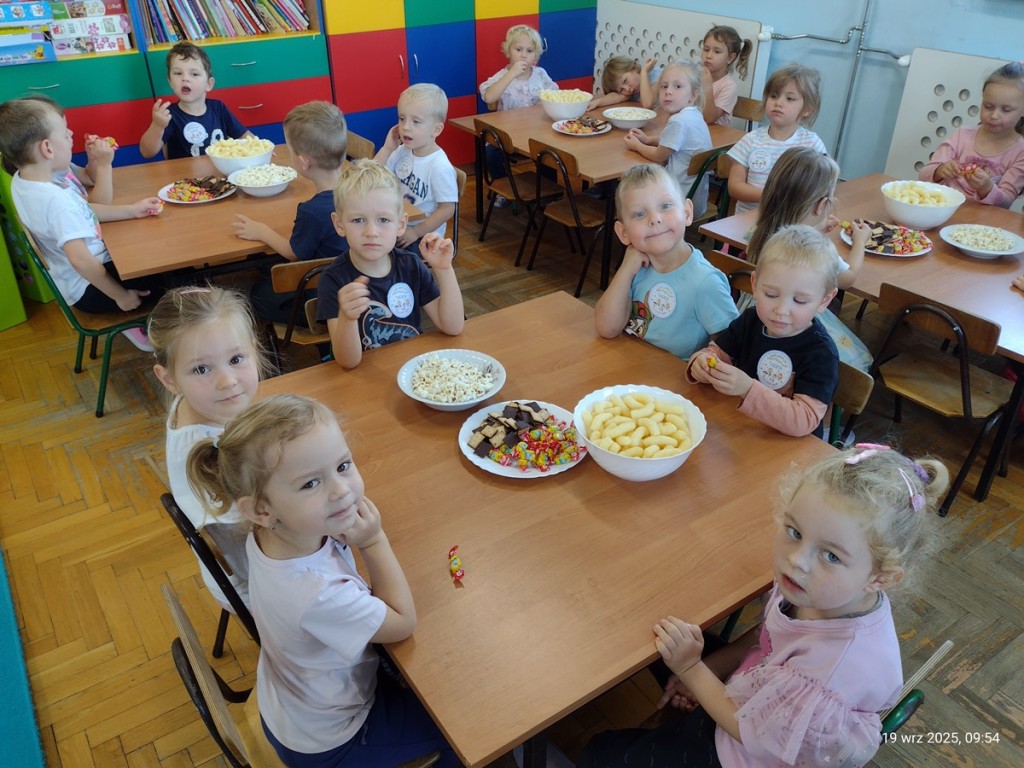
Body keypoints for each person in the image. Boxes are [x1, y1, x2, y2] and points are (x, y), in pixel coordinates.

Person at [578, 444, 949, 768]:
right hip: (752, 697)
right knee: (648, 632)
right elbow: (767, 638)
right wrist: (712, 668)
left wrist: (692, 670)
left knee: (598, 753)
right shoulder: (817, 590)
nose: (797, 560)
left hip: (743, 753)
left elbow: (750, 733)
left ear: (880, 578)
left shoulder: (833, 669)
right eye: (795, 532)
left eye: (831, 556)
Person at [185, 394, 459, 768]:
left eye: (343, 465)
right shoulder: (316, 593)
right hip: (335, 741)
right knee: (461, 729)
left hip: (293, 705)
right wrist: (373, 541)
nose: (341, 490)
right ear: (262, 509)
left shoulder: (272, 533)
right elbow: (402, 622)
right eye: (311, 483)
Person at [0, 96, 163, 350]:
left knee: (148, 251)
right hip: (91, 289)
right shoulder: (56, 201)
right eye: (65, 133)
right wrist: (120, 296)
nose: (71, 135)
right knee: (168, 273)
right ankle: (135, 321)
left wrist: (131, 210)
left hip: (77, 281)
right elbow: (80, 260)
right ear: (47, 149)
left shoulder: (25, 179)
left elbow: (83, 211)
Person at [149, 285, 269, 610]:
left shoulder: (199, 406)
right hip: (258, 586)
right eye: (202, 369)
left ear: (254, 349)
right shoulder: (213, 460)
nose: (227, 381)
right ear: (169, 378)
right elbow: (261, 547)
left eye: (236, 359)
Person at [687, 225, 839, 438]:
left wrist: (748, 389)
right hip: (741, 432)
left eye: (799, 300)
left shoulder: (821, 353)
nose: (781, 310)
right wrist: (702, 364)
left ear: (824, 300)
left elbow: (804, 420)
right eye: (771, 295)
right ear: (755, 284)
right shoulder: (751, 320)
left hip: (790, 449)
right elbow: (717, 354)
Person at [317, 159, 464, 369]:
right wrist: (347, 318)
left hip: (415, 373)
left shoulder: (411, 265)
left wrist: (444, 270)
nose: (371, 232)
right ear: (339, 224)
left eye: (383, 220)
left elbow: (453, 326)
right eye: (358, 220)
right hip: (366, 378)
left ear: (401, 224)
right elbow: (348, 362)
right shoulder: (334, 280)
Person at [746, 146, 873, 373]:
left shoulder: (759, 229)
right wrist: (860, 242)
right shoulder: (819, 253)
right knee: (859, 360)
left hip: (756, 312)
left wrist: (816, 228)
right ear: (822, 205)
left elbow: (790, 235)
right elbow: (848, 278)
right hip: (793, 326)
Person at [594, 163, 738, 361]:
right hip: (631, 367)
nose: (655, 219)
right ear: (624, 233)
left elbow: (734, 350)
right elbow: (607, 328)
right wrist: (625, 270)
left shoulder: (706, 282)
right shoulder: (635, 267)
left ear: (687, 213)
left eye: (665, 206)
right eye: (639, 214)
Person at [232, 101, 350, 324]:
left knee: (257, 294)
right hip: (354, 281)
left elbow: (293, 252)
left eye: (290, 149)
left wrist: (262, 231)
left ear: (304, 162)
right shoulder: (357, 190)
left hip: (324, 297)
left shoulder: (312, 211)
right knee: (266, 264)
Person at [918, 61, 1024, 207]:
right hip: (943, 209)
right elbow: (923, 175)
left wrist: (987, 188)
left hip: (982, 219)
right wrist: (940, 170)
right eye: (988, 106)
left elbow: (1005, 203)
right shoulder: (962, 135)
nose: (994, 115)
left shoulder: (1020, 153)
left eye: (1006, 110)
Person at [727, 63, 827, 214]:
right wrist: (772, 197)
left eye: (790, 98)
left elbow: (822, 186)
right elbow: (735, 187)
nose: (778, 103)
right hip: (749, 219)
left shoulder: (812, 144)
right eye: (773, 96)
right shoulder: (751, 140)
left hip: (790, 220)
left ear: (807, 109)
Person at [623, 61, 713, 218]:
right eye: (664, 86)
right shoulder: (695, 114)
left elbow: (659, 155)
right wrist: (648, 139)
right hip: (696, 201)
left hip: (678, 204)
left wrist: (637, 146)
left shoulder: (678, 121)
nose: (668, 92)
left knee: (633, 190)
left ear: (693, 96)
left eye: (677, 87)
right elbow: (673, 143)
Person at [479, 24, 557, 204]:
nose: (523, 55)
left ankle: (548, 191)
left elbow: (554, 96)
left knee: (551, 152)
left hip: (537, 132)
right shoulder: (503, 75)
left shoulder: (540, 75)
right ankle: (504, 187)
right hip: (508, 135)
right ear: (508, 51)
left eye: (529, 51)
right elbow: (489, 97)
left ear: (535, 56)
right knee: (491, 153)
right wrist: (511, 74)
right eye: (518, 49)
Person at [374, 83, 459, 247]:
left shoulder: (439, 167)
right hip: (396, 224)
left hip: (423, 237)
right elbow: (372, 175)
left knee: (386, 256)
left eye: (416, 122)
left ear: (436, 130)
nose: (406, 127)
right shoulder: (401, 150)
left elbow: (447, 209)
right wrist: (387, 148)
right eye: (402, 119)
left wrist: (416, 232)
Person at [139, 41, 250, 159]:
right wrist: (157, 126)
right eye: (178, 73)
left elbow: (245, 137)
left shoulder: (218, 108)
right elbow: (147, 152)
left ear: (208, 84)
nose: (185, 78)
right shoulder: (169, 115)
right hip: (184, 171)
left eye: (194, 74)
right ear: (170, 82)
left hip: (218, 169)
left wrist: (260, 149)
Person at [699, 25, 752, 126]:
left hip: (713, 133)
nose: (708, 56)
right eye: (706, 49)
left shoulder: (728, 87)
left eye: (717, 52)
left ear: (730, 58)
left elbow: (709, 119)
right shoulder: (694, 76)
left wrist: (707, 88)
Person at [588, 55, 660, 111]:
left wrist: (644, 72)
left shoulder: (656, 76)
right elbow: (616, 96)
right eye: (621, 90)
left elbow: (648, 103)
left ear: (634, 68)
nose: (627, 89)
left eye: (625, 81)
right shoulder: (632, 92)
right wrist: (598, 102)